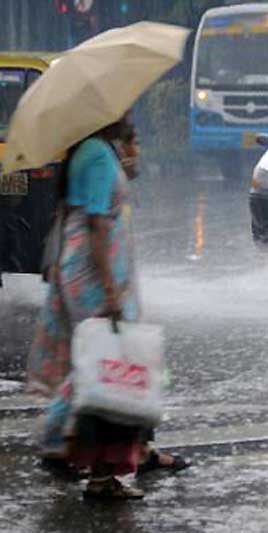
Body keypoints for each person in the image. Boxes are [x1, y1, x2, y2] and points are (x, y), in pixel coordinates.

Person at [27, 112, 186, 500]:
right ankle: (58, 441)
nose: (128, 116)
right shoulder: (97, 154)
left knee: (98, 362)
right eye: (123, 112)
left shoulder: (88, 152)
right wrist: (111, 291)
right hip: (93, 275)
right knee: (102, 365)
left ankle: (110, 460)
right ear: (102, 117)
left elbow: (76, 212)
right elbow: (98, 226)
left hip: (81, 269)